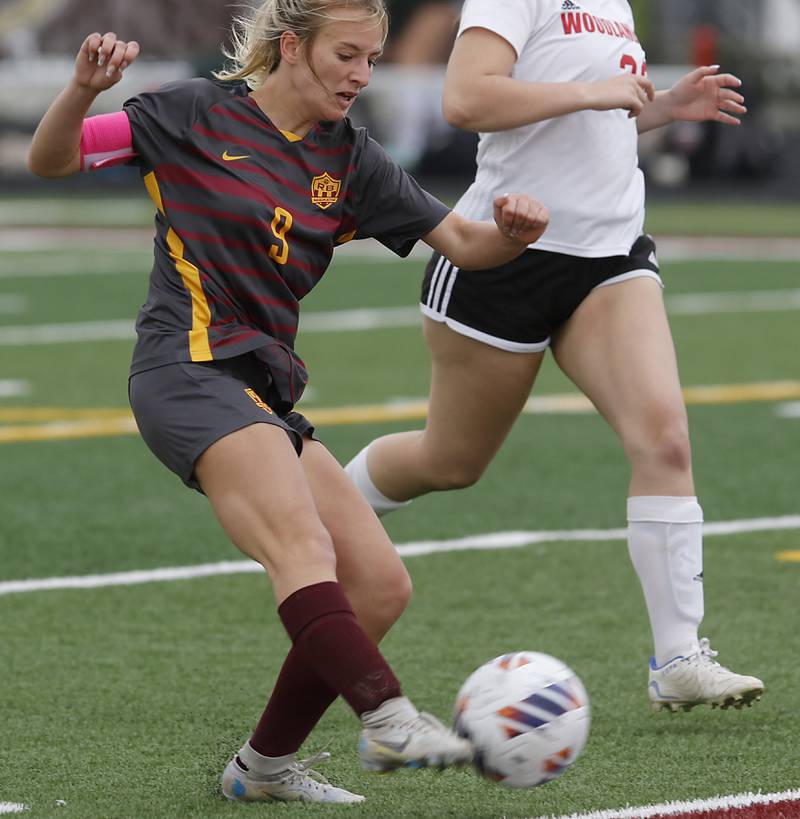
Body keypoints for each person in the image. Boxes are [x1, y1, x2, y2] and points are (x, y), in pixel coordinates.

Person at [27, 0, 549, 805]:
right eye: (347, 55)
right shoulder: (191, 113)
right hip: (185, 367)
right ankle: (386, 714)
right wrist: (80, 92)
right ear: (293, 46)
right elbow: (52, 160)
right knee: (302, 546)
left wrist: (510, 233)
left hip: (259, 389)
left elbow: (468, 245)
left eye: (372, 59)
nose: (362, 75)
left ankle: (262, 767)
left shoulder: (352, 160)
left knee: (380, 584)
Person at [346, 0, 765, 713]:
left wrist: (662, 107)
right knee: (450, 460)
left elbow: (589, 122)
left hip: (610, 255)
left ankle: (679, 655)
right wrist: (594, 91)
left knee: (663, 436)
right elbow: (467, 98)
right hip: (503, 252)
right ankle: (320, 519)